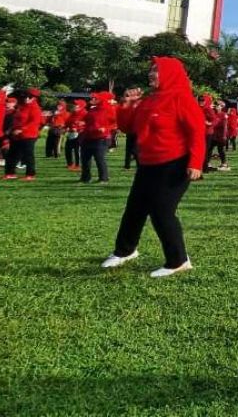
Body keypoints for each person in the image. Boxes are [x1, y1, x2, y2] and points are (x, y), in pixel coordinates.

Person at [102, 57, 206, 277]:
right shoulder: (150, 100)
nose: (151, 74)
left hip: (175, 163)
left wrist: (195, 163)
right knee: (135, 209)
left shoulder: (182, 98)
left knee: (162, 211)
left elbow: (196, 132)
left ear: (170, 74)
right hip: (148, 163)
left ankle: (178, 260)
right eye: (150, 70)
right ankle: (125, 251)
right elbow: (128, 126)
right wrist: (128, 104)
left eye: (156, 70)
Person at [5, 88, 43, 181]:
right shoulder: (21, 106)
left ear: (33, 98)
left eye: (28, 97)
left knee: (28, 155)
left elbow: (34, 122)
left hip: (29, 135)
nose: (25, 98)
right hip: (16, 134)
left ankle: (30, 174)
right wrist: (11, 129)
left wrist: (22, 129)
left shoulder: (35, 108)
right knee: (12, 154)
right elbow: (16, 119)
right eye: (25, 97)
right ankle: (10, 173)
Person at [80, 90, 114, 184]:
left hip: (101, 138)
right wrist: (82, 123)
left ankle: (103, 178)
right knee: (85, 158)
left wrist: (105, 128)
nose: (93, 99)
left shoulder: (109, 109)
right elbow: (86, 120)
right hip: (88, 136)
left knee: (99, 158)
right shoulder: (93, 109)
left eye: (95, 98)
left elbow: (114, 122)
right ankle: (85, 178)